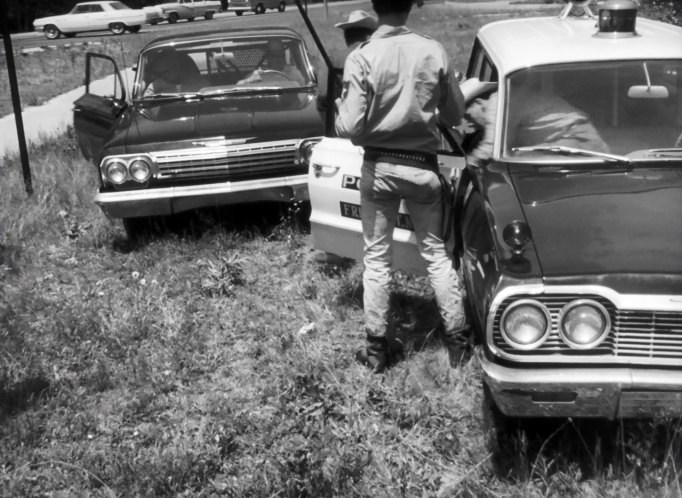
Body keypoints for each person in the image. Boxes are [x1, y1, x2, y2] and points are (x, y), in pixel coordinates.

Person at [335, 0, 468, 373]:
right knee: (437, 256)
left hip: (378, 169)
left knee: (376, 259)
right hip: (423, 170)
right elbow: (455, 115)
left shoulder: (363, 56)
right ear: (409, 7)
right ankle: (458, 343)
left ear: (376, 9)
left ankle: (377, 349)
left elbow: (349, 128)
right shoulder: (432, 49)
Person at [238, 39, 306, 85]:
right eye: (274, 55)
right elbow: (238, 88)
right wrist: (249, 80)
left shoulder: (294, 72)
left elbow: (305, 91)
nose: (278, 58)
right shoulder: (257, 74)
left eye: (281, 55)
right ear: (268, 57)